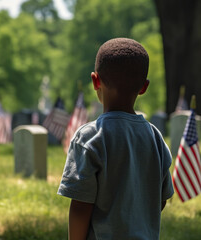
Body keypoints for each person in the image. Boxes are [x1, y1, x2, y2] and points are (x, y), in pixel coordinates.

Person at [57, 38, 174, 240]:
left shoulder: (89, 137)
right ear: (144, 87)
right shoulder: (154, 136)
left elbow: (80, 205)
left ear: (95, 81)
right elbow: (160, 199)